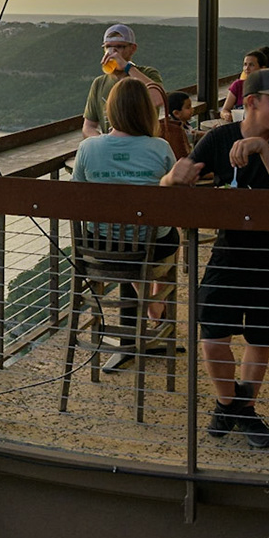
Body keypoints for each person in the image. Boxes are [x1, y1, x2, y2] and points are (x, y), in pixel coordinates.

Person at [164, 67, 269, 447]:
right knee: (212, 334)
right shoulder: (220, 138)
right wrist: (171, 180)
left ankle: (238, 409)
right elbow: (178, 183)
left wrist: (264, 149)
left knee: (260, 338)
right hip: (228, 253)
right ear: (250, 103)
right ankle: (234, 406)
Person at [72, 78, 179, 369]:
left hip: (99, 249)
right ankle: (153, 304)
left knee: (127, 246)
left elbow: (74, 196)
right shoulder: (160, 148)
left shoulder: (88, 148)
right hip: (151, 247)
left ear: (111, 111)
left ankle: (132, 334)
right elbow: (175, 199)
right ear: (147, 111)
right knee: (163, 239)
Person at [83, 24, 167, 138]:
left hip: (142, 148)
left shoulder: (148, 73)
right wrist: (102, 142)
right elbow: (88, 126)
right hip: (112, 149)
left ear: (132, 49)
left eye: (119, 46)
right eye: (108, 47)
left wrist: (127, 67)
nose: (113, 52)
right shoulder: (99, 83)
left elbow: (159, 99)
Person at [222, 47, 269, 118]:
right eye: (245, 64)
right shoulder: (238, 85)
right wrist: (226, 115)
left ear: (262, 68)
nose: (247, 68)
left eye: (251, 65)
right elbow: (225, 109)